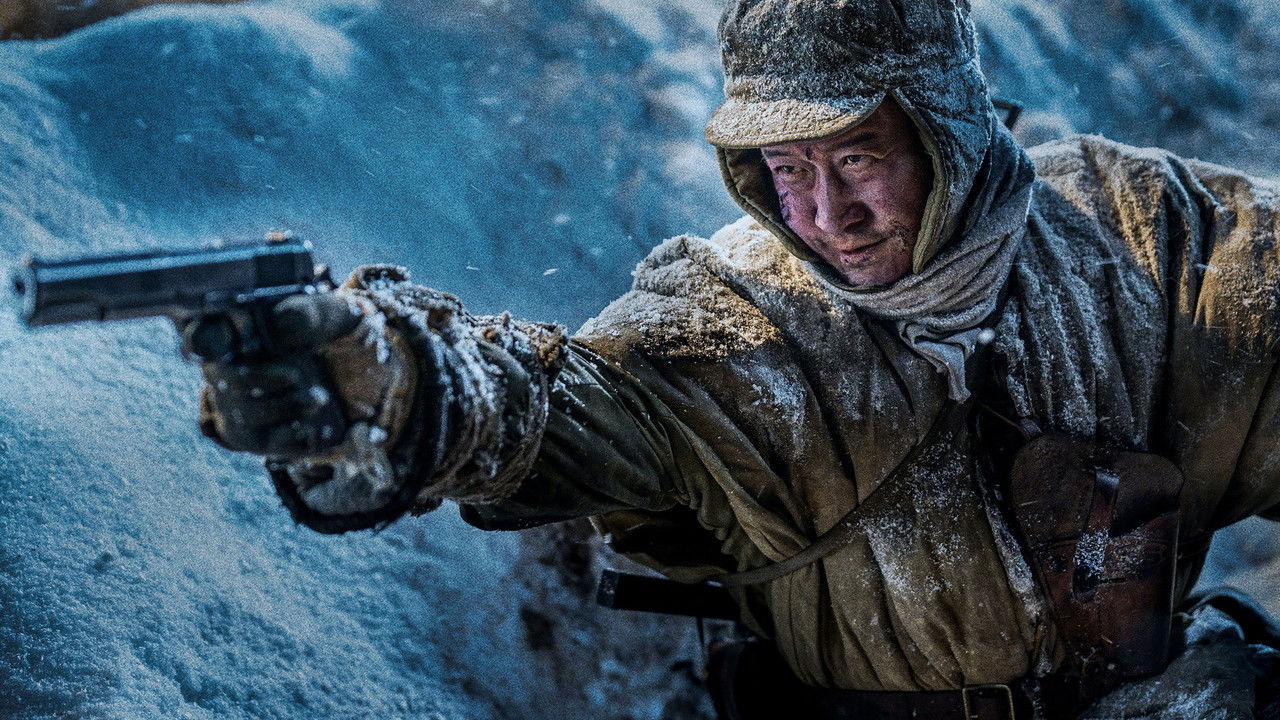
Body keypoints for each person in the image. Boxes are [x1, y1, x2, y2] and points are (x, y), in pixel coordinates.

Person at [195, 0, 1280, 717]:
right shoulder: (731, 323)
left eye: (858, 158)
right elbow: (561, 405)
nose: (826, 217)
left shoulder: (1140, 238)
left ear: (947, 129)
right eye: (788, 169)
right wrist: (398, 382)